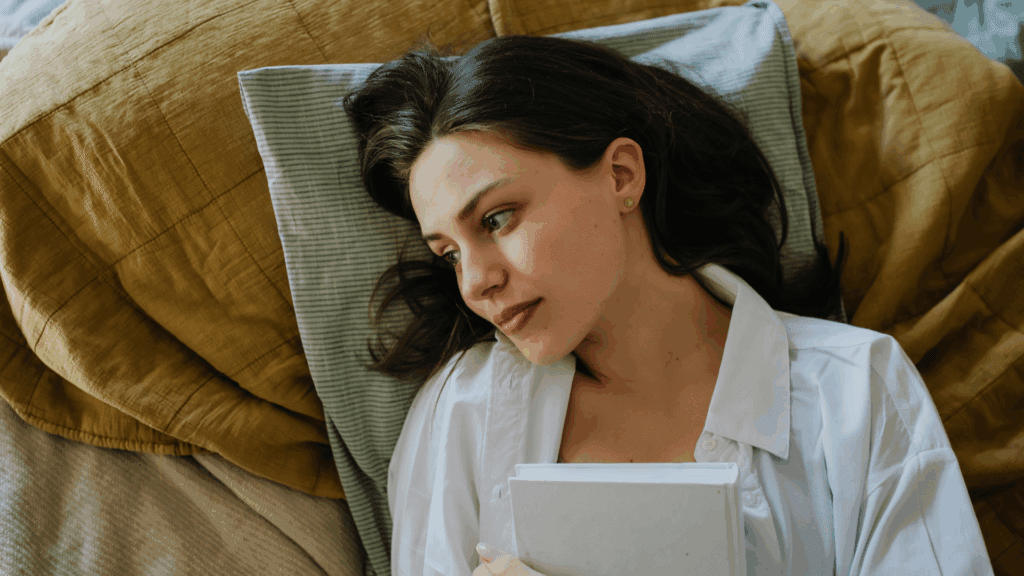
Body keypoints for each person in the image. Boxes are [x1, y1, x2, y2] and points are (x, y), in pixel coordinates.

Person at [342, 33, 993, 576]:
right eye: (448, 253)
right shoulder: (462, 413)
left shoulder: (856, 391)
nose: (475, 282)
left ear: (622, 175)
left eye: (497, 218)